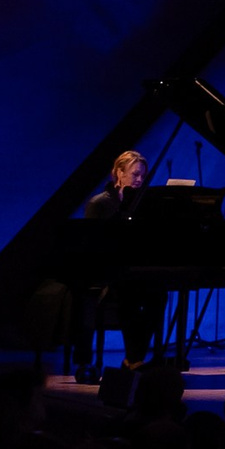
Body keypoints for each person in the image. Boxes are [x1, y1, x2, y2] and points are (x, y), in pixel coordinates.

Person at [73, 150, 166, 379]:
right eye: (135, 175)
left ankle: (134, 358)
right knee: (129, 293)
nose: (139, 180)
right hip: (104, 272)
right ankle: (134, 359)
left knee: (159, 294)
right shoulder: (100, 203)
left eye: (143, 176)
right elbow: (92, 246)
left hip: (130, 272)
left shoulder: (144, 206)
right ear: (118, 173)